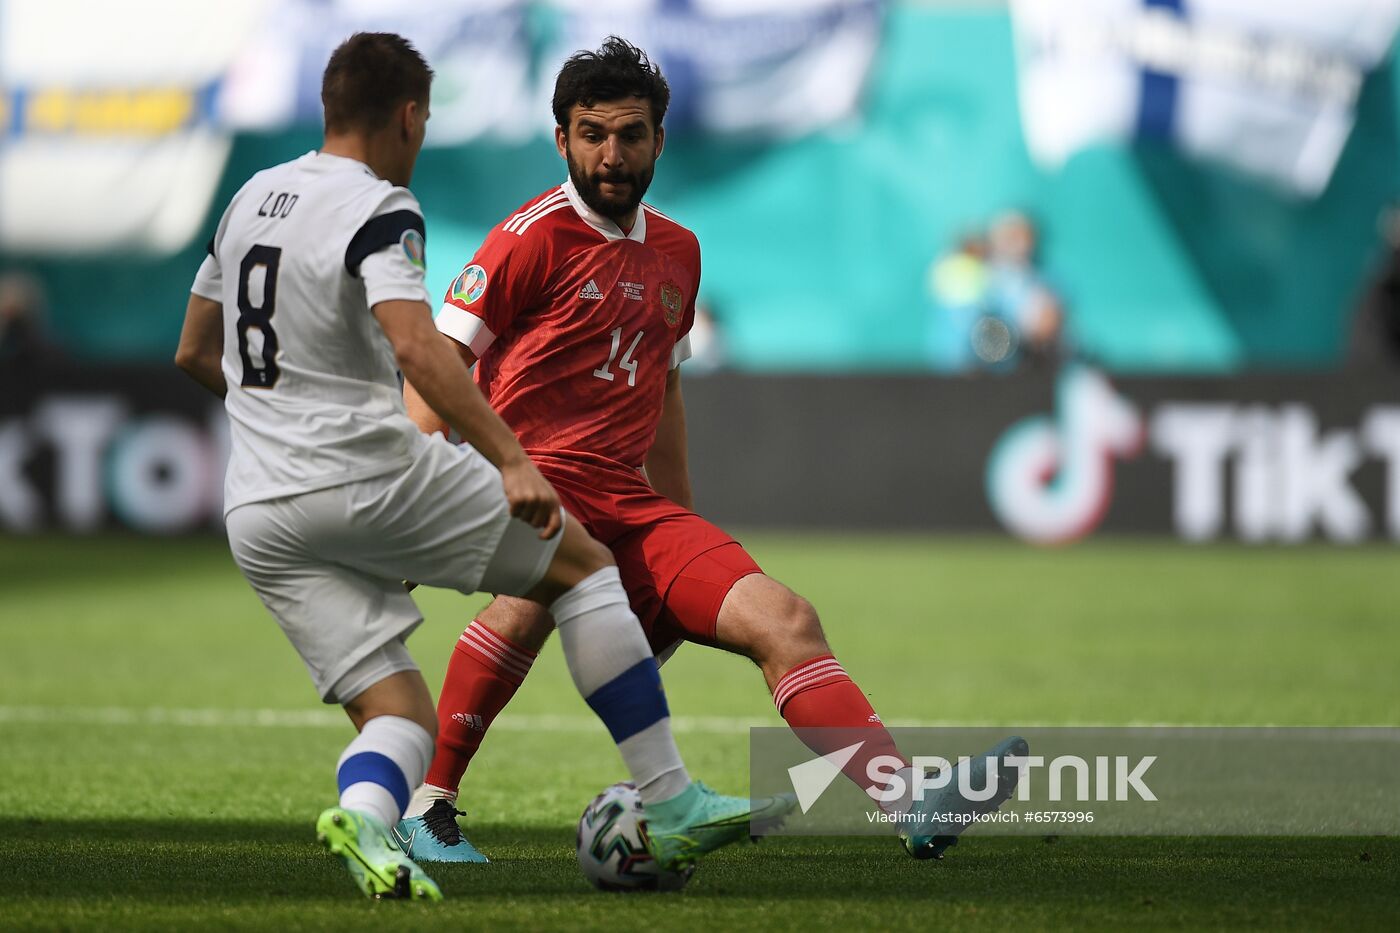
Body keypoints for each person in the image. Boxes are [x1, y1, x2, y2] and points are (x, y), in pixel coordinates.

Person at [175, 32, 788, 902]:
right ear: (409, 117)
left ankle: (382, 823)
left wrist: (276, 421)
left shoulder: (248, 199)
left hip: (258, 507)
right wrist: (508, 459)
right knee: (582, 567)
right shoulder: (384, 207)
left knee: (398, 713)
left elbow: (196, 350)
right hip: (364, 470)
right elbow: (424, 351)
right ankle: (672, 795)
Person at [399, 36, 1026, 864]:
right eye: (591, 134)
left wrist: (677, 528)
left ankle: (910, 803)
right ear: (562, 142)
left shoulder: (680, 252)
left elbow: (663, 389)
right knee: (526, 598)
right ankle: (428, 807)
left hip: (630, 502)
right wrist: (410, 498)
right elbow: (441, 367)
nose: (611, 154)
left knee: (787, 619)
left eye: (629, 134)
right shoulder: (525, 240)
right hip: (533, 484)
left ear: (660, 139)